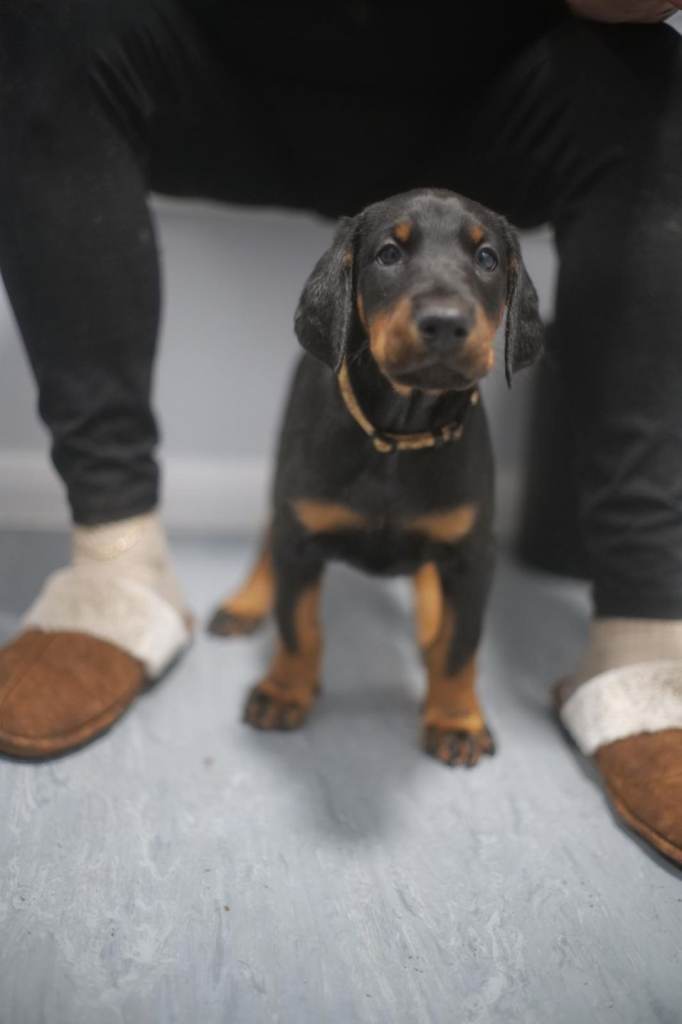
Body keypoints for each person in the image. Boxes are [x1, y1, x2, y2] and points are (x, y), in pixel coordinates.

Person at [0, 0, 680, 864]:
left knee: (651, 72)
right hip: (234, 60)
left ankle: (644, 633)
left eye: (481, 262)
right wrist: (291, 646)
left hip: (488, 79)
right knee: (43, 17)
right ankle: (116, 563)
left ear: (508, 308)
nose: (442, 312)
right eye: (392, 260)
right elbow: (299, 534)